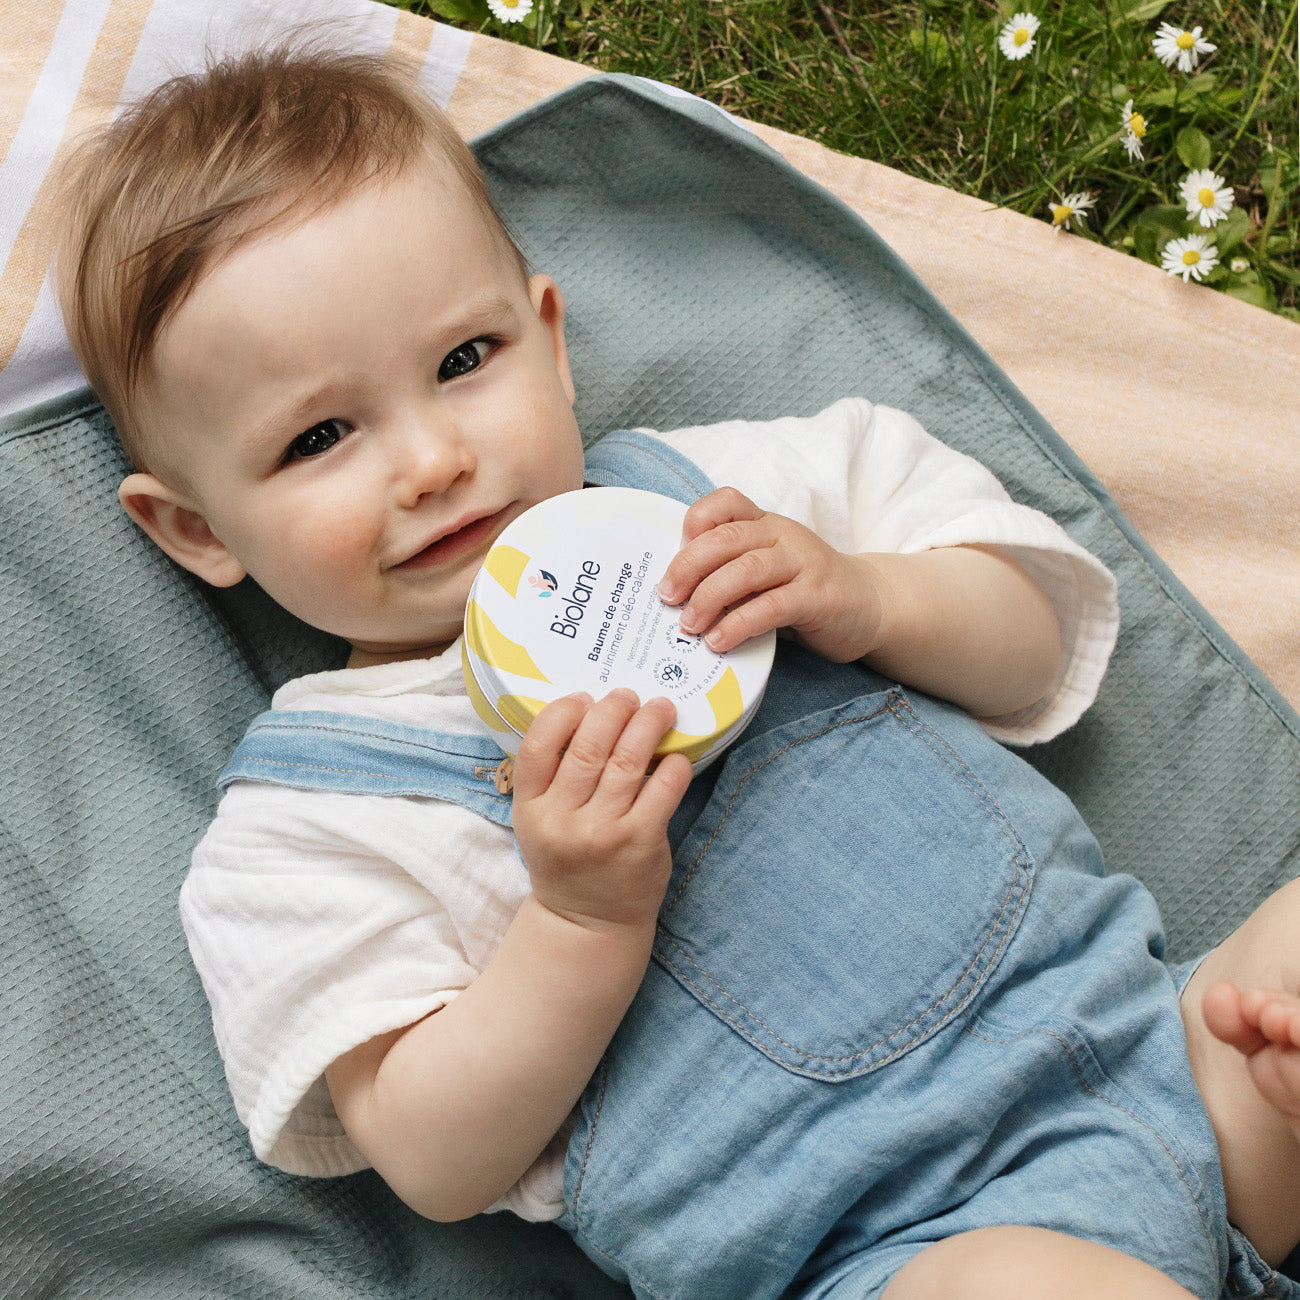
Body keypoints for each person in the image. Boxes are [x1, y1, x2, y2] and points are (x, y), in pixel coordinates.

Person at [54, 46, 1300, 1300]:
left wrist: (872, 598)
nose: (430, 459)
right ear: (198, 529)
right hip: (897, 1248)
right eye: (319, 437)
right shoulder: (309, 828)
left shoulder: (730, 493)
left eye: (464, 362)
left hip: (1171, 1051)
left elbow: (1036, 640)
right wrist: (578, 919)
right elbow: (428, 1154)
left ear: (550, 341)